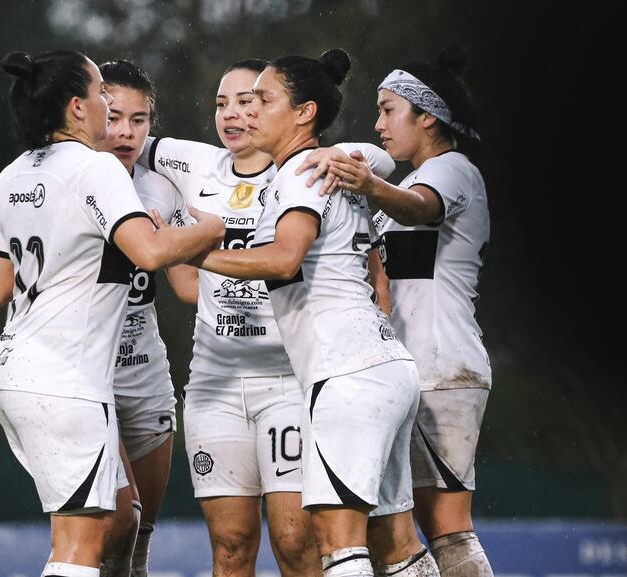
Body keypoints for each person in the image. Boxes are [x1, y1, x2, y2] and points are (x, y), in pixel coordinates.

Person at [176, 49, 440, 577]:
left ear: (304, 113)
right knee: (398, 545)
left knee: (336, 544)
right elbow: (383, 158)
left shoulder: (297, 173)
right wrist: (349, 152)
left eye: (263, 100)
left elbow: (283, 257)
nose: (250, 112)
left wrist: (191, 253)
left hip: (345, 375)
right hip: (385, 367)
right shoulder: (323, 162)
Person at [0, 50, 224, 577]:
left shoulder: (9, 176)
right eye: (101, 95)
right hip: (65, 378)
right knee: (79, 545)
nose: (108, 105)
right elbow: (153, 253)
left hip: (14, 370)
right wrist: (210, 230)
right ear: (76, 107)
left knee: (119, 524)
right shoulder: (96, 168)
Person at [296, 46, 493, 577]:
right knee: (396, 531)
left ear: (426, 115)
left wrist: (369, 185)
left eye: (388, 110)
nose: (379, 124)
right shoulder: (405, 180)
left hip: (442, 363)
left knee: (448, 530)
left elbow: (421, 208)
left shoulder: (452, 170)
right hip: (406, 367)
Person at [95, 59, 192, 577]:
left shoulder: (160, 188)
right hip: (87, 372)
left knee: (139, 537)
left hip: (145, 367)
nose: (126, 132)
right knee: (115, 521)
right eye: (113, 117)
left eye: (139, 119)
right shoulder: (69, 180)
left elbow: (189, 286)